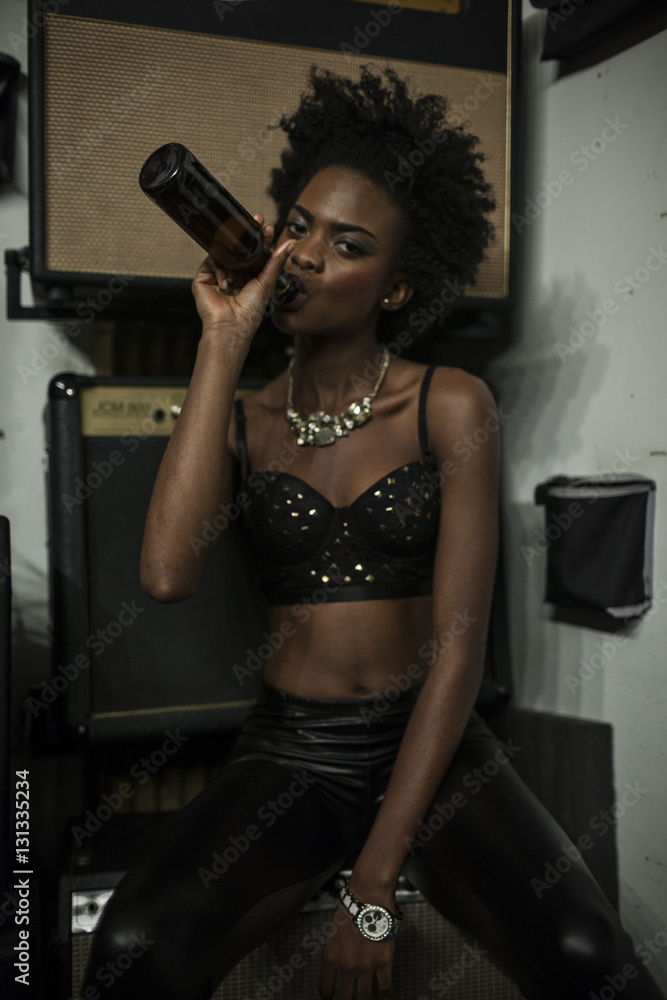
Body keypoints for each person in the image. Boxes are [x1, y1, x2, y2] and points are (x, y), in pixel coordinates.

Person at [81, 67, 665, 1000]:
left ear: (394, 288)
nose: (307, 256)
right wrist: (220, 344)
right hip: (289, 750)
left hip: (434, 744)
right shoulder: (245, 419)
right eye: (299, 226)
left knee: (590, 960)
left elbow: (460, 653)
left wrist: (372, 888)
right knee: (127, 949)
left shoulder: (449, 404)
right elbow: (163, 576)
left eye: (346, 245)